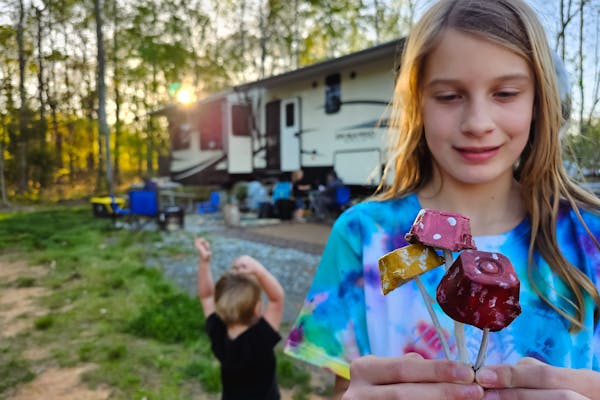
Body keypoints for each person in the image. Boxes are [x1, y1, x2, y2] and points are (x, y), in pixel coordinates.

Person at [283, 1, 600, 399]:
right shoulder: (364, 237)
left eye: (505, 93)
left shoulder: (591, 238)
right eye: (449, 96)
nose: (477, 123)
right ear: (418, 103)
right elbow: (347, 386)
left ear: (539, 101)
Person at [195, 237, 285, 400]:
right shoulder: (260, 339)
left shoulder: (218, 332)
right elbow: (277, 298)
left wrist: (204, 261)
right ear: (258, 308)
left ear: (218, 304)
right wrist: (259, 271)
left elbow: (206, 296)